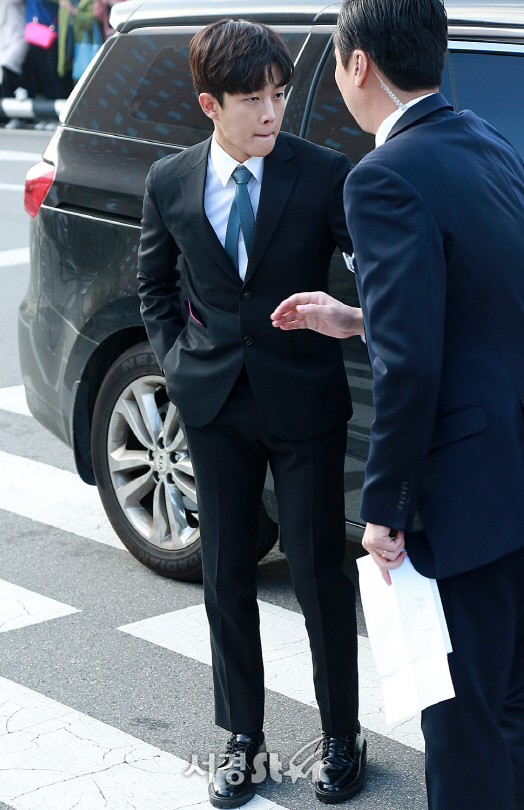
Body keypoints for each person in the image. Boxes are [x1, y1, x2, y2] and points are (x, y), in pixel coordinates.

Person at [271, 1, 524, 808]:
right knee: (509, 705)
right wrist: (354, 319)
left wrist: (386, 506)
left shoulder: (381, 176)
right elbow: (478, 302)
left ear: (357, 65)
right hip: (512, 471)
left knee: (462, 726)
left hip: (461, 498)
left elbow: (413, 364)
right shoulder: (484, 141)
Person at [137, 18, 365, 808]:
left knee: (317, 575)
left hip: (304, 404)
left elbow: (371, 270)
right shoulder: (169, 180)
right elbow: (155, 287)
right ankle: (243, 740)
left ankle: (341, 736)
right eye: (252, 99)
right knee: (226, 577)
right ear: (210, 103)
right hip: (213, 406)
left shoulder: (324, 172)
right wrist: (174, 361)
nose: (271, 111)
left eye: (278, 93)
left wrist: (343, 309)